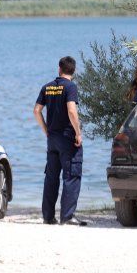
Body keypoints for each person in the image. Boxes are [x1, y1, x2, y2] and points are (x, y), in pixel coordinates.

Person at [33, 56, 86, 226]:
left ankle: (48, 217)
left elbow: (36, 111)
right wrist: (78, 133)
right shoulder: (70, 87)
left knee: (51, 177)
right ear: (74, 71)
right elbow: (71, 110)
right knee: (71, 176)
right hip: (67, 138)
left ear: (59, 69)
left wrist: (46, 130)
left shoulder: (47, 87)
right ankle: (68, 216)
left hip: (52, 139)